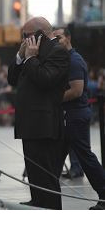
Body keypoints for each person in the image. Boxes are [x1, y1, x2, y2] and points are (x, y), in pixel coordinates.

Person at [7, 17, 70, 209]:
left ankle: (50, 209)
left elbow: (46, 80)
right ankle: (38, 202)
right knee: (34, 172)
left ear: (39, 35)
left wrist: (31, 58)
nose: (24, 40)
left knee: (46, 176)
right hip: (30, 124)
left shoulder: (58, 51)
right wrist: (20, 57)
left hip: (45, 125)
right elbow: (12, 79)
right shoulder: (29, 53)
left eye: (26, 36)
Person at [53, 27, 105, 209]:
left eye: (58, 37)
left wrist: (53, 99)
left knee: (85, 157)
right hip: (69, 116)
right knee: (55, 158)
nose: (56, 41)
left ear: (68, 38)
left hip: (75, 115)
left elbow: (76, 91)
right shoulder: (65, 60)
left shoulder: (74, 61)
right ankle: (45, 197)